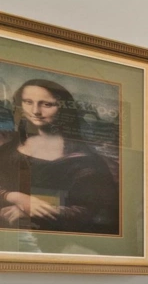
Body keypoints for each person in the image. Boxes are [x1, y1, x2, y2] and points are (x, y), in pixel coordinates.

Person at [0, 78, 119, 234]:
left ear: (63, 109)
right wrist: (15, 197)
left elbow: (92, 209)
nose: (35, 111)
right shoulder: (9, 146)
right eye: (28, 102)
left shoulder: (84, 159)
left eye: (47, 104)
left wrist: (33, 211)